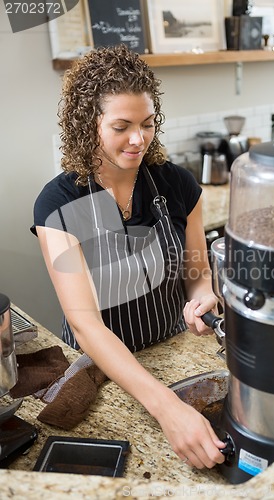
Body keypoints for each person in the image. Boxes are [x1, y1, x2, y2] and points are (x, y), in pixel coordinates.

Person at [31, 44, 226, 469]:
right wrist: (168, 409)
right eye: (122, 126)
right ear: (89, 124)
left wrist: (203, 295)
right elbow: (85, 324)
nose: (139, 139)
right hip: (99, 374)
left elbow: (196, 271)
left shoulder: (175, 184)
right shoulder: (59, 204)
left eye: (148, 123)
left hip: (174, 351)